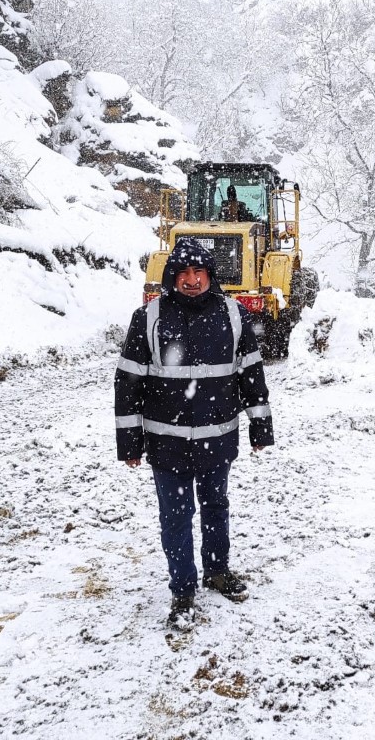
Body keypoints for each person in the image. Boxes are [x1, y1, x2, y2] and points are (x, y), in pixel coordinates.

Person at [114, 236, 274, 630]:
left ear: (209, 274)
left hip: (217, 439)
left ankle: (217, 572)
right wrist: (130, 442)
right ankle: (183, 590)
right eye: (183, 272)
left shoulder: (233, 314)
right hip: (165, 443)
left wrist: (260, 425)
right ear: (171, 275)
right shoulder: (148, 317)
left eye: (198, 271)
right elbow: (128, 382)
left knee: (216, 507)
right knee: (176, 515)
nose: (190, 279)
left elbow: (251, 372)